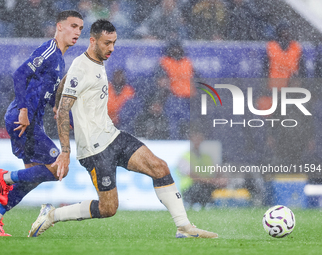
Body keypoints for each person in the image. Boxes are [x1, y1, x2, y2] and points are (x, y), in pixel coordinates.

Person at [28, 19, 217, 239]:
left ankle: (184, 227)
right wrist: (65, 151)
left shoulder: (94, 62)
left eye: (114, 43)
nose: (111, 48)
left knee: (160, 167)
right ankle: (52, 215)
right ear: (93, 40)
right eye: (107, 43)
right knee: (108, 209)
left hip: (113, 136)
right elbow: (63, 112)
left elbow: (65, 82)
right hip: (94, 149)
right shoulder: (82, 66)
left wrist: (57, 100)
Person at [0, 10, 83, 237]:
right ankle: (4, 177)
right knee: (58, 167)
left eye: (80, 29)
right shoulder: (49, 50)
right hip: (23, 119)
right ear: (59, 27)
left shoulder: (60, 59)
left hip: (31, 121)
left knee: (32, 177)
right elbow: (19, 74)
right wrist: (24, 110)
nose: (77, 32)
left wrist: (57, 109)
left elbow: (41, 91)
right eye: (73, 26)